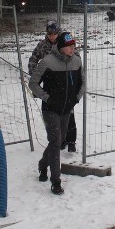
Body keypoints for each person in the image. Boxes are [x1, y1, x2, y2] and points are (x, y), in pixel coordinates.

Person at [28, 31, 85, 195]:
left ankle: (42, 164)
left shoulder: (77, 61)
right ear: (60, 47)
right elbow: (33, 83)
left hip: (67, 108)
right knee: (56, 141)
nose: (72, 49)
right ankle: (56, 181)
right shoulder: (47, 62)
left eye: (73, 46)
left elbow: (83, 82)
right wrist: (46, 98)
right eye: (68, 47)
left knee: (57, 142)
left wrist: (76, 98)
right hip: (51, 109)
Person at [28, 21, 78, 152]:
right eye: (49, 33)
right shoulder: (42, 45)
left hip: (66, 81)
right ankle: (59, 140)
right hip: (51, 84)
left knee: (69, 112)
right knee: (54, 114)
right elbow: (33, 59)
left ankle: (71, 141)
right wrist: (35, 79)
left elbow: (76, 58)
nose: (51, 36)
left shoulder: (65, 42)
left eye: (54, 33)